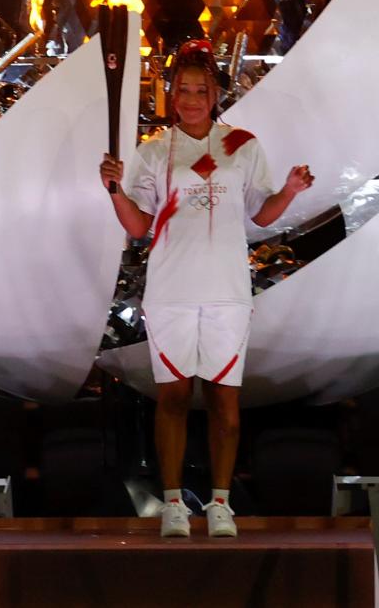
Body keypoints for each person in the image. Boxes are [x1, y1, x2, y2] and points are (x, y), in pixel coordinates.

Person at [99, 38, 313, 538]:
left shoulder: (242, 144)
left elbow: (261, 214)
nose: (191, 98)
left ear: (215, 92)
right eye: (183, 90)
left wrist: (289, 191)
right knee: (172, 400)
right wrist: (112, 189)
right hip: (172, 288)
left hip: (227, 291)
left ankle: (220, 504)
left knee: (225, 404)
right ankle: (173, 504)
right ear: (171, 94)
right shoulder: (153, 151)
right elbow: (137, 226)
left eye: (201, 89)